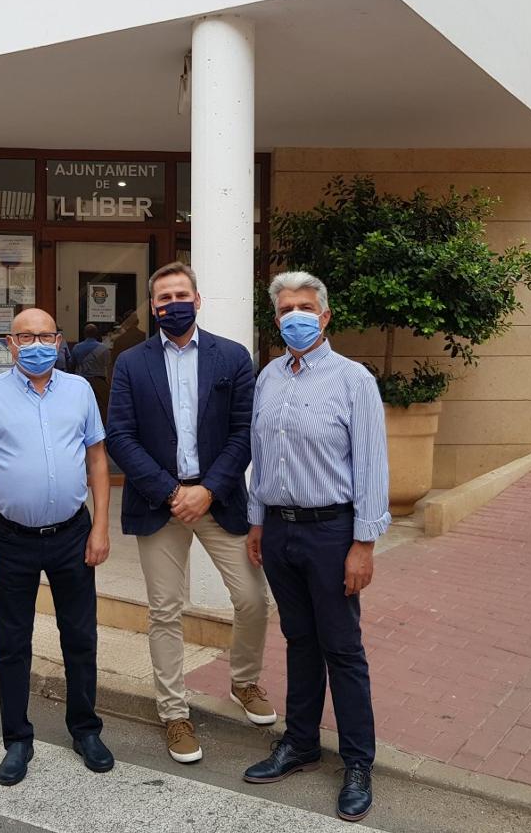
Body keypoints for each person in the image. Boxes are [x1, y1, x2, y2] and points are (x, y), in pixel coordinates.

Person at [106, 262, 272, 764]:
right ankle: (174, 712)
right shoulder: (130, 362)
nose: (173, 304)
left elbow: (245, 431)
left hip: (219, 499)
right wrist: (171, 491)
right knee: (165, 610)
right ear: (153, 306)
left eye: (182, 295)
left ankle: (244, 681)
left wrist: (208, 490)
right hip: (159, 503)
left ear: (197, 300)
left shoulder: (233, 356)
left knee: (253, 599)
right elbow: (120, 436)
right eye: (164, 298)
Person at [241, 271, 388, 824]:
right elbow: (260, 454)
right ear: (276, 319)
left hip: (332, 531)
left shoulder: (353, 380)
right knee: (299, 640)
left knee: (342, 648)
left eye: (305, 307)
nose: (295, 316)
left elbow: (371, 464)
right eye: (286, 309)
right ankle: (300, 743)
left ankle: (357, 762)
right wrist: (257, 521)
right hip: (280, 531)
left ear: (324, 317)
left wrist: (363, 543)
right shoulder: (268, 376)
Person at [0, 308, 114, 787]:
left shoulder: (79, 391)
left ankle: (85, 729)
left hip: (73, 535)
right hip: (11, 541)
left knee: (80, 637)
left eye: (45, 336)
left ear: (59, 341)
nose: (37, 345)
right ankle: (17, 739)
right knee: (12, 643)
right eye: (26, 337)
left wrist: (101, 528)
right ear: (11, 342)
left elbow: (97, 460)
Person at [75, 323, 113, 417]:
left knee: (81, 408)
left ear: (84, 334)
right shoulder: (104, 349)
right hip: (99, 382)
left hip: (81, 382)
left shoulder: (77, 348)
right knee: (101, 409)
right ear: (96, 334)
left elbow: (72, 365)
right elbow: (108, 367)